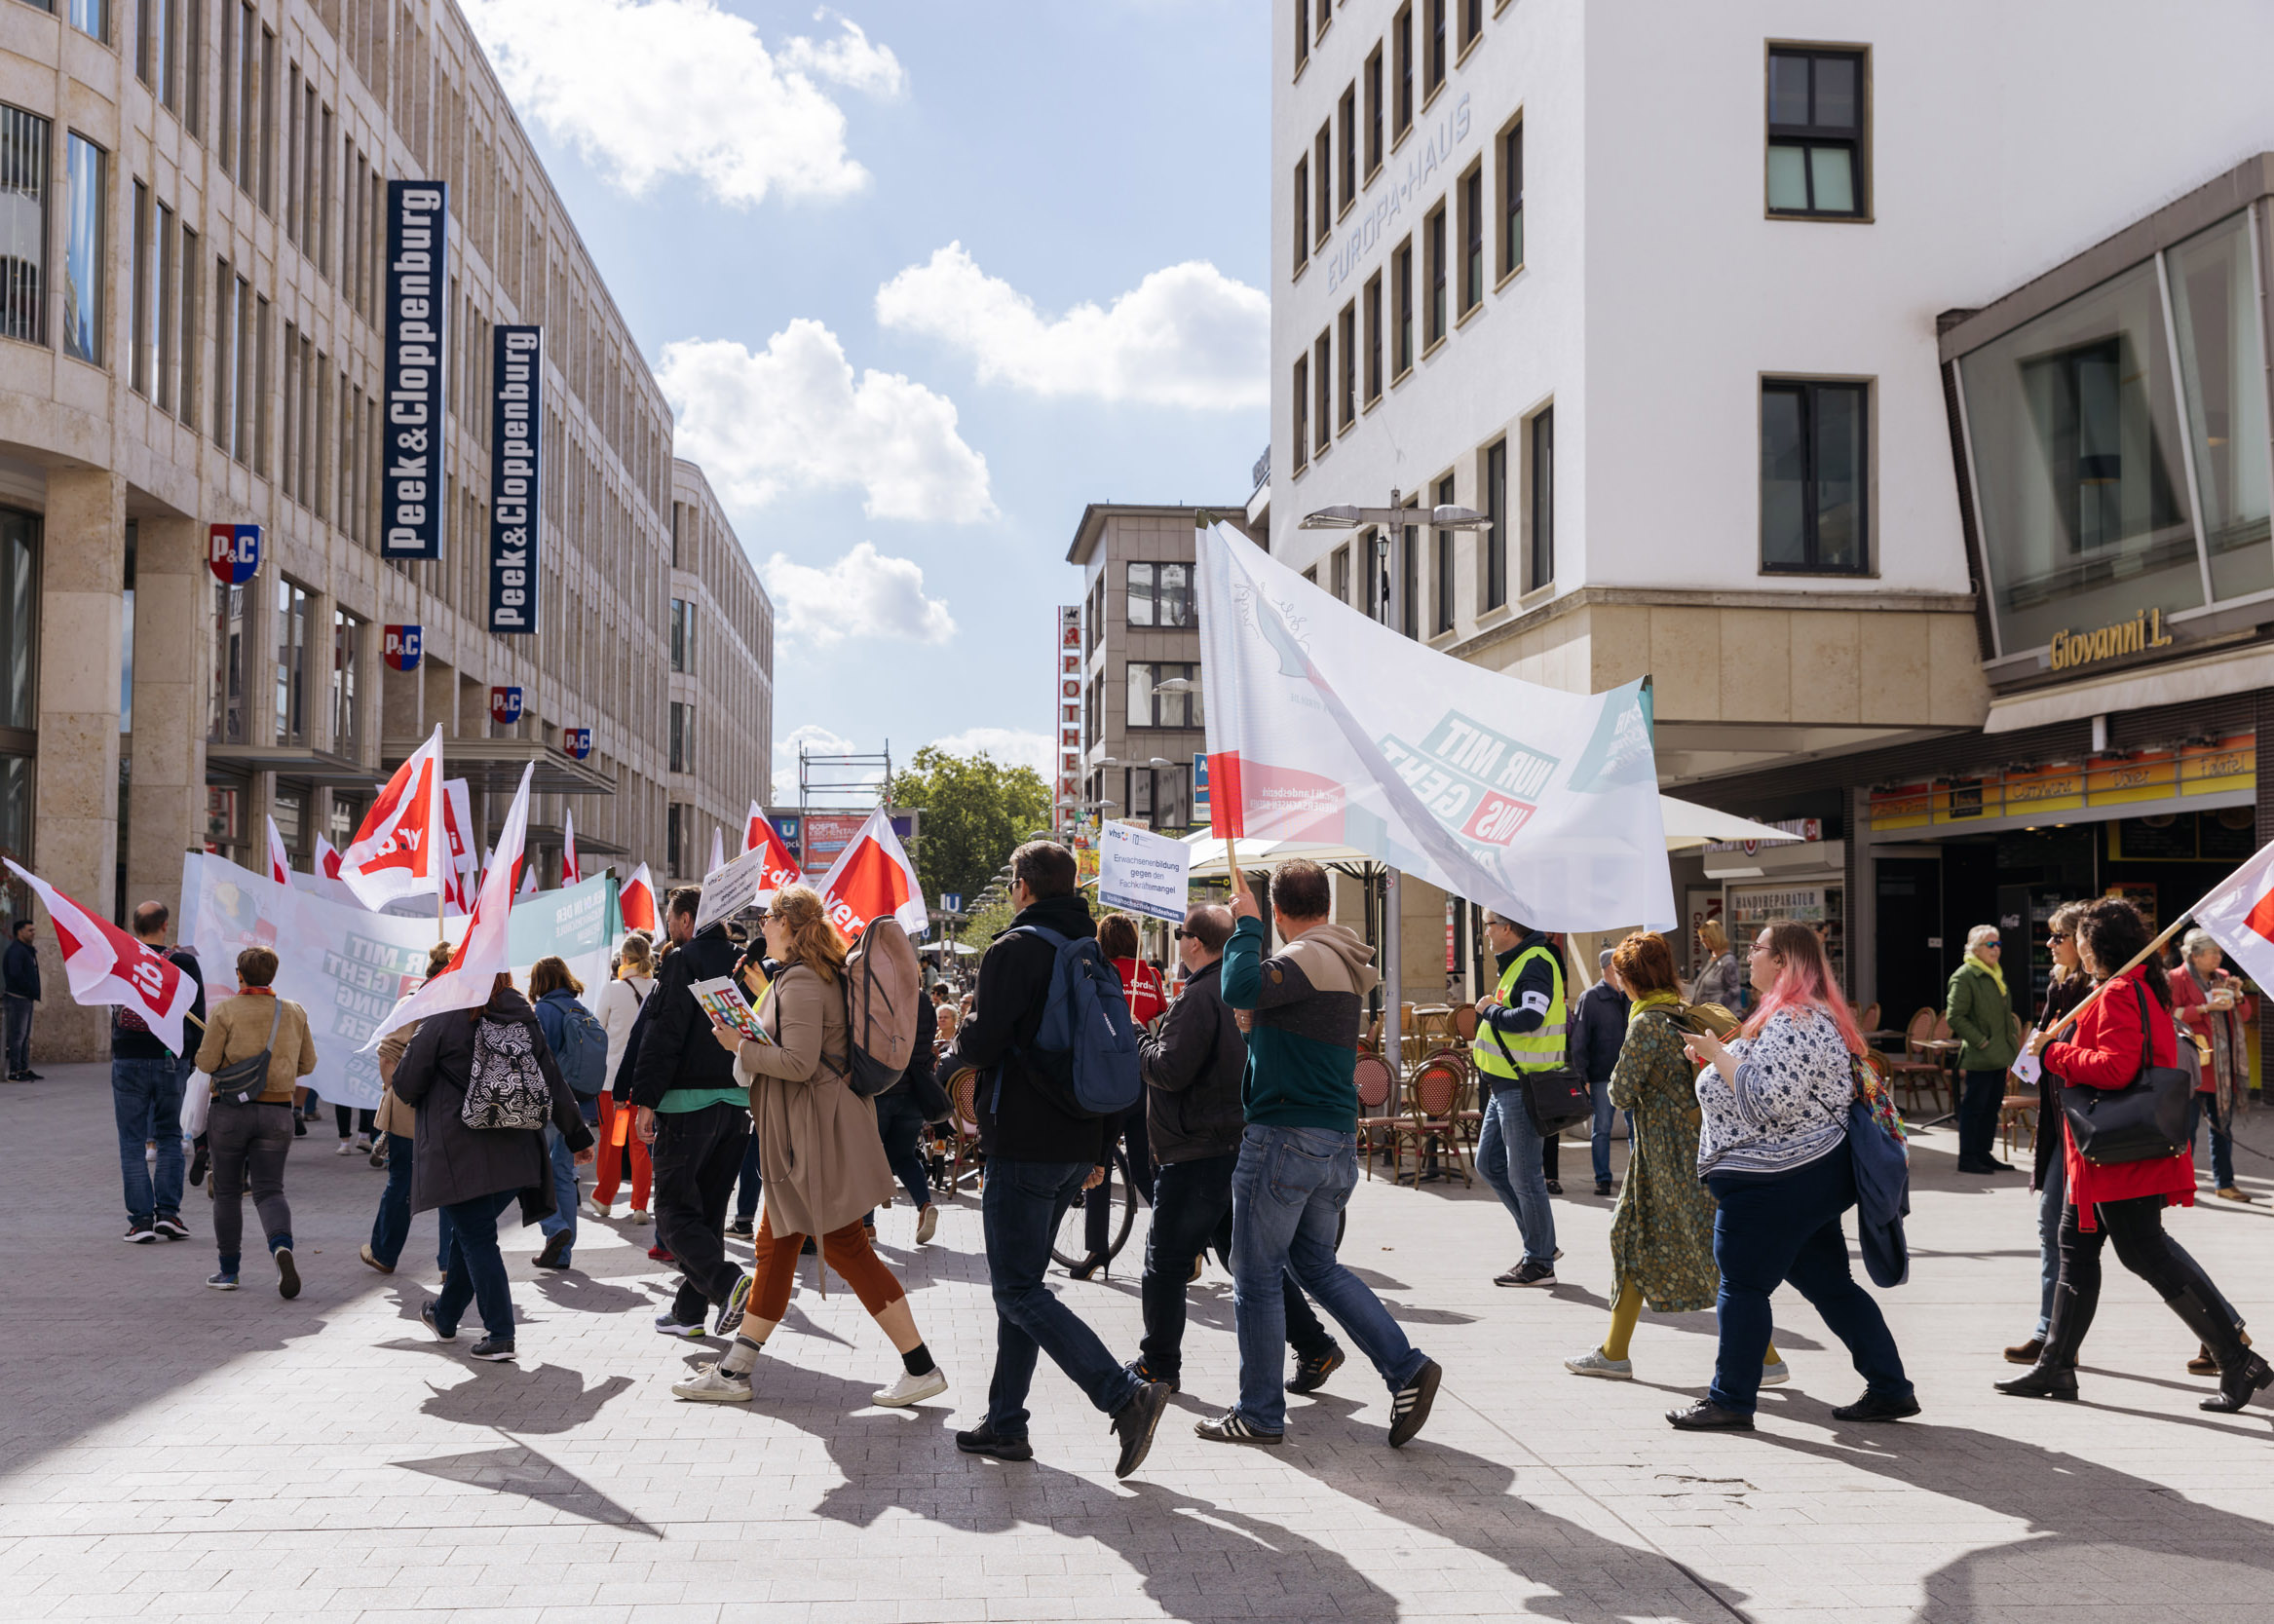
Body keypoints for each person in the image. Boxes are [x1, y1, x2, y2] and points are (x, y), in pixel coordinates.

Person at [938, 839, 1171, 1479]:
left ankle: (1123, 1395)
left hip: (1024, 1142)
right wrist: (1098, 1151)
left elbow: (983, 1040)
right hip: (1077, 1142)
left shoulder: (1015, 950)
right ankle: (1007, 1421)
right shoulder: (1092, 952)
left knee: (1015, 1287)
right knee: (1024, 1287)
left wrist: (955, 1050)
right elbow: (1105, 1052)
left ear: (1022, 884)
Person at [672, 886, 948, 1407]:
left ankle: (921, 1366)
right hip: (809, 1133)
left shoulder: (800, 981)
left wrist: (740, 1046)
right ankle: (736, 1371)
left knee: (840, 1248)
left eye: (770, 918)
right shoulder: (808, 976)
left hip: (810, 1137)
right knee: (777, 1249)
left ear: (791, 926)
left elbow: (798, 1064)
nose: (762, 927)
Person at [1203, 859, 1443, 1449]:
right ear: (1328, 906)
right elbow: (1273, 1030)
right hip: (1331, 1137)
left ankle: (1259, 1412)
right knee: (1317, 1266)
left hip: (1286, 1136)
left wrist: (1245, 926)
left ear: (1281, 913)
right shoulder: (1339, 957)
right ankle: (1405, 1366)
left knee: (1256, 1275)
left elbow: (1236, 985)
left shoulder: (1303, 956)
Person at [2000, 899, 2271, 1412]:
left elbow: (2116, 1069)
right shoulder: (2131, 987)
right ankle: (2056, 1365)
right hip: (2102, 1152)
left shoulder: (2121, 991)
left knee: (2145, 1251)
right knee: (2077, 1252)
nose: (2073, 941)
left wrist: (2053, 1053)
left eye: (2080, 934)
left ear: (2095, 943)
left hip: (2119, 1151)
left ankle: (2237, 1359)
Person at [1667, 921, 1916, 1430]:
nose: (1750, 956)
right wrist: (1720, 1056)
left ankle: (1731, 1400)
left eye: (1757, 949)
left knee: (1742, 1284)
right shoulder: (1794, 1016)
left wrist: (1718, 1057)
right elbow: (1768, 1081)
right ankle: (1891, 1388)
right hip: (1800, 1175)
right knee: (1829, 1283)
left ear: (1782, 961)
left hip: (1778, 1178)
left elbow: (1767, 1100)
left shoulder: (1794, 1018)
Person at [1129, 901, 1346, 1395]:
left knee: (1164, 1261)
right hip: (1231, 1141)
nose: (1179, 942)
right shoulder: (1238, 990)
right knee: (1241, 1258)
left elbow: (1169, 1069)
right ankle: (1315, 1346)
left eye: (1181, 934)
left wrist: (1140, 1039)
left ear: (1194, 942)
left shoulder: (1201, 994)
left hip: (1197, 1149)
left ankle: (1157, 1364)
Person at [1565, 932, 1786, 1385]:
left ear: (1630, 978)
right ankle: (1614, 1351)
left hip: (1667, 1158)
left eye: (1623, 977)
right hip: (1690, 1148)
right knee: (1638, 1239)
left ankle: (1766, 1359)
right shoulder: (1682, 1012)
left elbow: (1621, 1091)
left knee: (1710, 1251)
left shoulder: (1646, 1023)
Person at [395, 973, 596, 1361]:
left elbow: (406, 1084)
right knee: (471, 1233)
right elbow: (551, 1077)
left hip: (457, 1152)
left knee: (476, 1237)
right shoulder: (524, 1016)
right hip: (517, 1149)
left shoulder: (443, 1017)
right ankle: (446, 1316)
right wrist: (579, 1137)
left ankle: (500, 1333)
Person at [626, 887, 753, 1339]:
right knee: (709, 1213)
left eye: (670, 917)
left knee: (674, 1214)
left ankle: (728, 1282)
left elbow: (663, 1036)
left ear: (685, 920)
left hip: (686, 1105)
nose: (667, 926)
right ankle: (688, 1312)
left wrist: (645, 1100)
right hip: (738, 1103)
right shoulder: (745, 961)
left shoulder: (682, 959)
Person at [193, 946, 318, 1294]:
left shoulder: (225, 1011)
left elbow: (205, 1063)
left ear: (240, 974)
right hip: (278, 1113)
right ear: (273, 975)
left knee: (229, 1193)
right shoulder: (294, 1012)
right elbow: (307, 1064)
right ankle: (280, 1246)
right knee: (270, 1189)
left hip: (230, 1113)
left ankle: (228, 1271)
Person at [2004, 903, 2094, 1364]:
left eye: (2058, 936)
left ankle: (2222, 1331)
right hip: (2064, 1127)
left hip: (2095, 1131)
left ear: (2083, 941)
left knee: (2144, 1246)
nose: (2050, 944)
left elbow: (2100, 1061)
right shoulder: (2062, 985)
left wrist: (2053, 1047)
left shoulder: (2098, 991)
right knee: (2052, 1226)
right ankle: (2049, 1333)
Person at [1470, 910, 1563, 1287]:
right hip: (1505, 1084)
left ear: (1508, 928)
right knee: (1489, 1165)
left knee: (1525, 1176)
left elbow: (1531, 1018)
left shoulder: (1535, 961)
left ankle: (1540, 1262)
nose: (1486, 932)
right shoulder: (1520, 960)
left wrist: (1489, 1009)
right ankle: (1542, 1243)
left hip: (1522, 1086)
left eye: (1490, 924)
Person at [1069, 912, 1158, 1278]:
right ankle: (1189, 1240)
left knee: (1098, 1164)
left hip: (1110, 1082)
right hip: (1147, 1081)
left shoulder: (1100, 970)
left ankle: (1095, 1251)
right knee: (1142, 1170)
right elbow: (1161, 1021)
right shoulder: (1150, 974)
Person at [113, 902, 207, 1243]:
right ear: (165, 925)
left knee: (132, 1141)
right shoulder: (183, 962)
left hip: (128, 1057)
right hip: (170, 1056)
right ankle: (169, 1215)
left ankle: (140, 1221)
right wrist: (195, 1058)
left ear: (135, 926)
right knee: (170, 1137)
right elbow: (198, 1012)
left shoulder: (122, 958)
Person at [363, 942, 456, 1276]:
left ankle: (384, 1253)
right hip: (448, 1114)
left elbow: (387, 1056)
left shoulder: (415, 1003)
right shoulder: (462, 1005)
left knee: (401, 1183)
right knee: (451, 1189)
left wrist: (398, 1091)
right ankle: (448, 1264)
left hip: (410, 1115)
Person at [2170, 928, 2255, 1203]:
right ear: (2194, 956)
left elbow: (2245, 1016)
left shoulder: (2225, 978)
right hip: (2193, 1065)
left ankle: (2225, 1183)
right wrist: (2205, 1009)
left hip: (2222, 1066)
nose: (2219, 957)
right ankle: (2180, 1183)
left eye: (2219, 951)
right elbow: (2170, 1016)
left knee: (2222, 1126)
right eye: (2213, 952)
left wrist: (2238, 997)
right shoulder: (2176, 978)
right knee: (2187, 1128)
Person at [529, 956, 596, 1269]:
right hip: (577, 1104)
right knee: (565, 1176)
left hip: (548, 1103)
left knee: (536, 1171)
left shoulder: (542, 1011)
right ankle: (562, 1252)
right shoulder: (580, 1009)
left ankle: (555, 1228)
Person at [590, 931, 656, 1222]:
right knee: (641, 1142)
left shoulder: (613, 989)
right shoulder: (658, 987)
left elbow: (597, 1030)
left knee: (613, 1140)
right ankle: (640, 1205)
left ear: (625, 959)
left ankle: (604, 1198)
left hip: (614, 1080)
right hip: (644, 1080)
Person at [873, 967, 941, 1243]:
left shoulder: (882, 999)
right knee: (904, 1155)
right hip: (915, 1091)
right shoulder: (925, 1001)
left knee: (868, 1155)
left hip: (882, 1088)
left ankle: (867, 1225)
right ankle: (925, 1204)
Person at [1945, 924, 2019, 1175]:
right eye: (1990, 944)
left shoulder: (1995, 973)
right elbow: (1955, 1016)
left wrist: (2011, 1043)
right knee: (1974, 1108)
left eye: (1998, 944)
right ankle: (1967, 1157)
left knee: (1991, 1108)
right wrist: (1980, 1041)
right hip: (1980, 1055)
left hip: (2000, 1053)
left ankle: (1984, 1154)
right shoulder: (1965, 976)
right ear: (1975, 948)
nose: (1996, 949)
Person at [1565, 947, 1630, 1197]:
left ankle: (1636, 1179)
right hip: (1602, 1074)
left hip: (1630, 1074)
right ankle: (1602, 1178)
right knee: (1601, 1128)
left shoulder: (1630, 996)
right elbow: (1579, 1041)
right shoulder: (1590, 998)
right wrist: (1583, 1077)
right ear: (1608, 970)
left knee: (1636, 1129)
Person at [5, 915, 40, 1079]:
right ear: (20, 932)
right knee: (17, 1036)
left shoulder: (27, 950)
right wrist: (28, 987)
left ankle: (24, 1069)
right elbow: (15, 974)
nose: (33, 933)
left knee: (25, 1036)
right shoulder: (16, 951)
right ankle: (14, 1071)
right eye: (30, 930)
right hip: (17, 998)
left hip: (26, 998)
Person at [1691, 920, 1741, 1008]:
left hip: (1720, 1017)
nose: (1702, 940)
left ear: (1714, 936)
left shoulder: (1728, 961)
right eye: (1700, 937)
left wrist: (1717, 1005)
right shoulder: (1713, 958)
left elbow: (1734, 990)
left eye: (1704, 936)